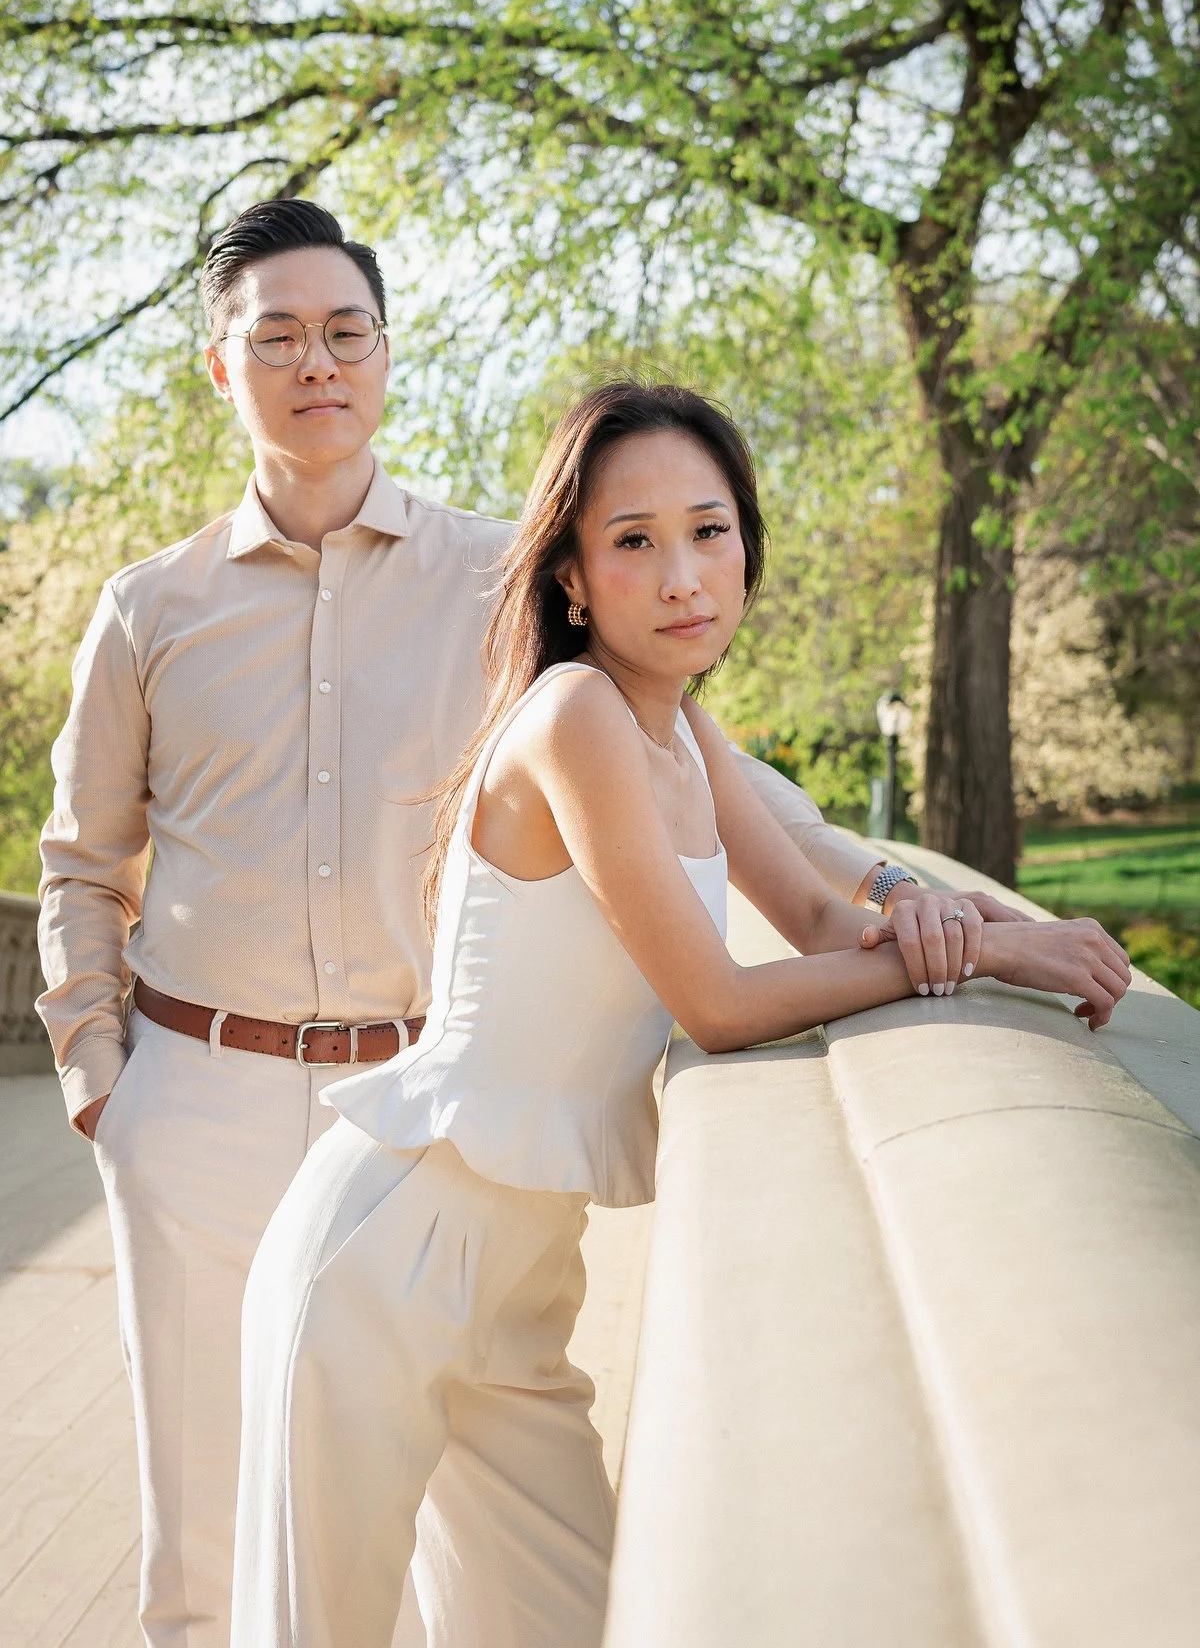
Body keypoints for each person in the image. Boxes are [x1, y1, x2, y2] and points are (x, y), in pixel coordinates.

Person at [36, 201, 997, 1648]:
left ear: (384, 353)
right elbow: (83, 859)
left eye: (347, 332)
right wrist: (100, 1078)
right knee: (215, 1569)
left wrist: (906, 896)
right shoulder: (147, 607)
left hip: (436, 1101)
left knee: (505, 1591)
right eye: (279, 337)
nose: (319, 364)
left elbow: (748, 805)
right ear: (220, 368)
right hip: (203, 1099)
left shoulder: (515, 580)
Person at [228, 382, 1131, 1648]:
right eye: (635, 540)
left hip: (521, 1289)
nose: (683, 574)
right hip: (386, 1255)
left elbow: (820, 922)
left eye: (709, 531)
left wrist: (993, 943)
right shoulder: (579, 714)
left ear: (748, 546)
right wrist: (949, 956)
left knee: (567, 1624)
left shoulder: (680, 729)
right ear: (576, 578)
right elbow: (717, 1002)